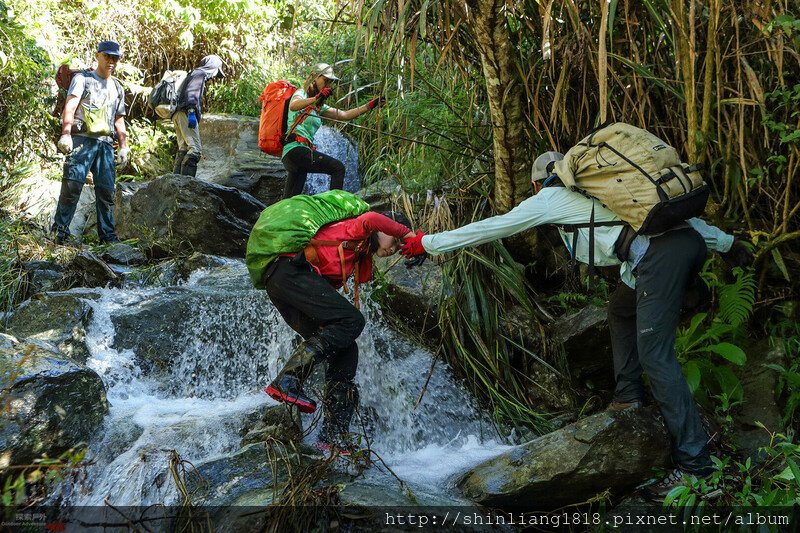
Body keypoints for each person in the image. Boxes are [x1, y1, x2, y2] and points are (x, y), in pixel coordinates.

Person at [400, 151, 754, 497]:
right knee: (620, 310)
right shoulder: (606, 189)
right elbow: (674, 220)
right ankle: (628, 396)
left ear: (540, 183)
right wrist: (727, 243)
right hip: (679, 247)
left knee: (657, 358)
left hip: (660, 259)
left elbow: (493, 227)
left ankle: (698, 469)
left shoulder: (552, 198)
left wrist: (428, 243)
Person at [261, 210, 413, 452]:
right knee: (353, 321)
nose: (395, 247)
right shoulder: (357, 227)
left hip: (285, 284)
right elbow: (372, 217)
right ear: (384, 229)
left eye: (399, 245)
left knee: (347, 349)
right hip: (289, 271)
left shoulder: (360, 251)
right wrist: (411, 235)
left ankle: (331, 435)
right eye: (395, 239)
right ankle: (288, 380)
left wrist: (410, 248)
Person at [52, 40, 129, 244]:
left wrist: (123, 146)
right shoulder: (82, 79)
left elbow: (119, 118)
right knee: (72, 186)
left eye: (115, 57)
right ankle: (59, 233)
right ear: (98, 56)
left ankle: (108, 237)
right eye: (107, 56)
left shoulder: (118, 87)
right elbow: (70, 106)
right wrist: (66, 133)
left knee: (106, 191)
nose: (111, 61)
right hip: (81, 140)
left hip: (104, 144)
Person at [281, 63, 385, 198]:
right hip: (296, 150)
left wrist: (370, 105)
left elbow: (344, 115)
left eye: (330, 82)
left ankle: (275, 218)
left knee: (289, 200)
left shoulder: (319, 107)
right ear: (314, 77)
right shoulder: (301, 93)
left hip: (296, 157)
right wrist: (315, 99)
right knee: (338, 168)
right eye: (326, 80)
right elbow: (294, 105)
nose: (328, 85)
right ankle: (334, 209)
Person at [171, 55, 225, 177]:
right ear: (212, 66)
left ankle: (175, 181)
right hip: (186, 112)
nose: (215, 76)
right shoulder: (199, 74)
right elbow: (191, 92)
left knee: (184, 148)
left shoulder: (193, 73)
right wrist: (191, 111)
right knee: (195, 149)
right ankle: (187, 184)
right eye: (216, 71)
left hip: (177, 113)